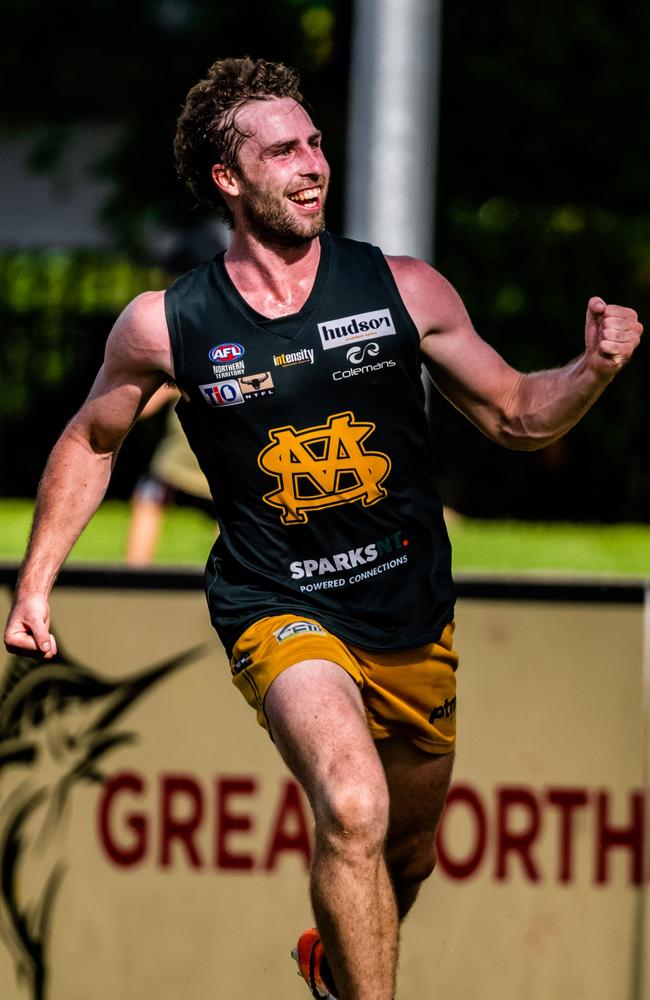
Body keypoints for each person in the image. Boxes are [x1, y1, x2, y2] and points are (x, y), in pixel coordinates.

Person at [3, 56, 643, 1000]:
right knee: (351, 804)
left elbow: (515, 414)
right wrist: (36, 584)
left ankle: (338, 963)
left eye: (315, 143)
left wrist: (590, 370)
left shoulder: (404, 289)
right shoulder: (166, 326)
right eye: (282, 150)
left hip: (411, 612)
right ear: (229, 179)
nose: (311, 164)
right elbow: (92, 442)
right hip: (278, 607)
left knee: (407, 856)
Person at [125, 385, 216, 565]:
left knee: (148, 499)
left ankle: (134, 573)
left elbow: (143, 408)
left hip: (181, 460)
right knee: (233, 520)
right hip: (218, 463)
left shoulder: (182, 364)